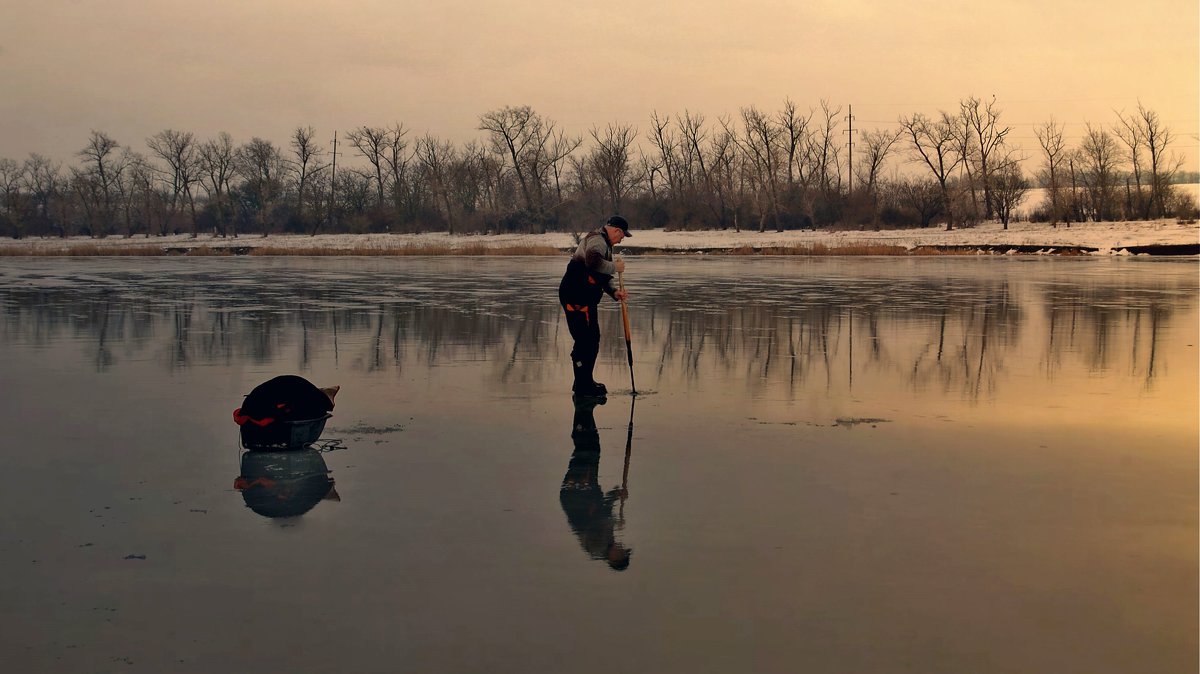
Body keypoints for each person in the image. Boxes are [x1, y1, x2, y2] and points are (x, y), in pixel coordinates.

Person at [558, 215, 631, 396]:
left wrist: (615, 292)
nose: (622, 239)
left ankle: (584, 381)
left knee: (592, 339)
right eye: (622, 235)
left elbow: (599, 275)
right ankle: (583, 386)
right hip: (576, 296)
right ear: (616, 230)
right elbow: (593, 262)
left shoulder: (604, 244)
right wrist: (615, 267)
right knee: (585, 341)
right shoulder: (597, 241)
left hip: (586, 298)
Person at [559, 395, 632, 571]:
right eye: (623, 550)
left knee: (587, 451)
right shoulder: (606, 543)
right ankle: (585, 409)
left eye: (621, 553)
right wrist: (617, 494)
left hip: (577, 493)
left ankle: (583, 408)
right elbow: (602, 509)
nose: (621, 548)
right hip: (585, 493)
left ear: (614, 559)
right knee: (591, 449)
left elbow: (600, 515)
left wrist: (614, 517)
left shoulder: (597, 546)